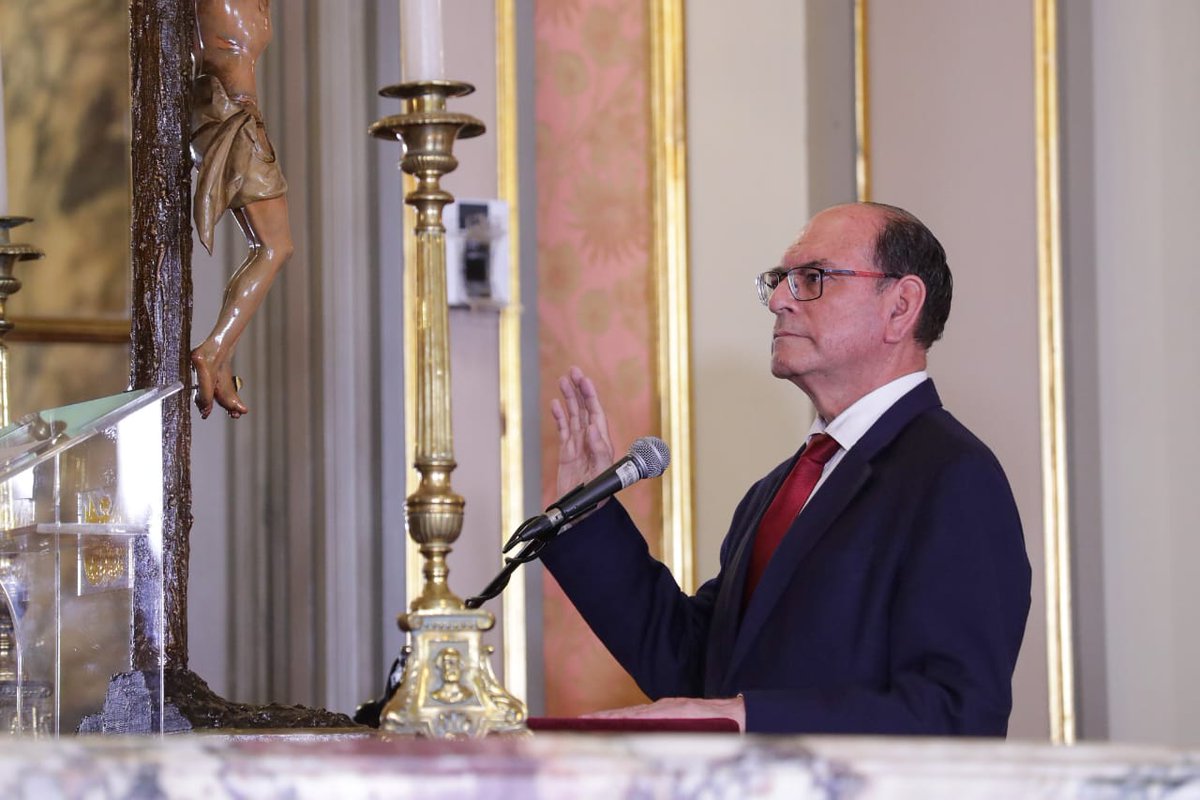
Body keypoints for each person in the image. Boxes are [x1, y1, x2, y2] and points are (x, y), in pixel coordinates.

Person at [541, 202, 1031, 735]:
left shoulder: (953, 476)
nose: (778, 300)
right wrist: (585, 515)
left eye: (812, 278)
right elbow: (696, 667)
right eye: (779, 281)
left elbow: (958, 713)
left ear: (900, 306)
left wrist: (750, 717)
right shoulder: (778, 489)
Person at [190, 0, 293, 418]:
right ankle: (212, 349)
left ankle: (221, 355)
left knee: (266, 246)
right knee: (275, 247)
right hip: (235, 122)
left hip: (233, 118)